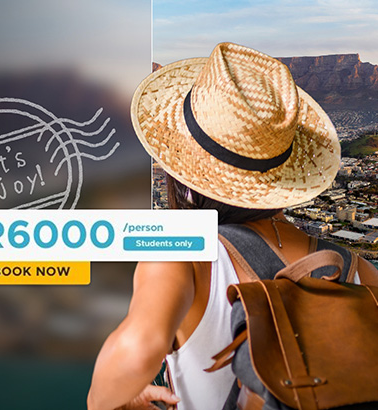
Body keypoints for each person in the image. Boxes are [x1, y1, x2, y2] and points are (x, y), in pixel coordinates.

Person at [87, 42, 378, 410]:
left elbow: (136, 352)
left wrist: (113, 400)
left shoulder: (185, 257)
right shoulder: (359, 270)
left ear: (186, 177)